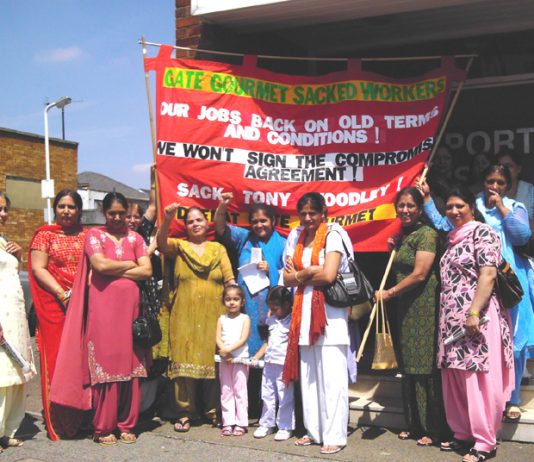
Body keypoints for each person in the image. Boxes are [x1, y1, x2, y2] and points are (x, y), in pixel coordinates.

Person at [419, 164, 534, 420]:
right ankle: (488, 403)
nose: (494, 186)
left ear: (508, 185)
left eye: (500, 182)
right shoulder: (472, 207)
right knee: (485, 347)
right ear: (482, 182)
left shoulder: (515, 207)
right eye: (490, 181)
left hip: (507, 281)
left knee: (514, 344)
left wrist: (502, 206)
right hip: (477, 286)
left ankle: (511, 397)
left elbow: (522, 235)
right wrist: (427, 199)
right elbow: (444, 225)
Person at [436, 185, 514, 462]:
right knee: (456, 375)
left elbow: (489, 274)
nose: (454, 211)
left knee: (478, 377)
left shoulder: (483, 232)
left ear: (471, 207)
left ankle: (485, 441)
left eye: (460, 206)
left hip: (477, 317)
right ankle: (463, 432)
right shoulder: (451, 238)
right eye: (449, 207)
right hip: (451, 319)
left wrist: (473, 312)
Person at [375, 187, 450, 447]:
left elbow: (419, 274)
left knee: (424, 367)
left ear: (419, 209)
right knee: (409, 366)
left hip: (423, 307)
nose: (405, 210)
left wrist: (390, 293)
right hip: (406, 307)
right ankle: (414, 424)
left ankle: (434, 428)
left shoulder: (427, 234)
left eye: (410, 206)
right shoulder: (405, 235)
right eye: (401, 205)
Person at [282, 192, 351, 455]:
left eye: (313, 213)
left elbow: (329, 274)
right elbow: (286, 278)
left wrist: (301, 274)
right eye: (304, 213)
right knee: (309, 378)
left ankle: (335, 435)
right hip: (303, 312)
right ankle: (314, 431)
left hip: (330, 315)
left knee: (332, 378)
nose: (308, 218)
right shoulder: (296, 236)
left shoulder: (334, 234)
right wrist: (309, 272)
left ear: (324, 212)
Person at [157, 203, 235, 432]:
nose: (195, 224)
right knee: (183, 362)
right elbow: (161, 244)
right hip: (183, 314)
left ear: (207, 223)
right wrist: (167, 219)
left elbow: (229, 278)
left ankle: (213, 410)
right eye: (190, 221)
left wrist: (235, 310)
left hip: (215, 314)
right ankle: (184, 411)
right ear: (186, 226)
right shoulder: (179, 246)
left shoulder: (218, 249)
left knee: (213, 361)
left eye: (199, 220)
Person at [214, 192, 287, 416]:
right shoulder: (244, 238)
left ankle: (268, 410)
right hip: (246, 311)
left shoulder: (283, 243)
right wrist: (222, 205)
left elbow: (289, 277)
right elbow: (219, 227)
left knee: (269, 359)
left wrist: (271, 270)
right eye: (254, 221)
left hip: (272, 309)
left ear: (273, 221)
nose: (258, 225)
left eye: (263, 220)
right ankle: (246, 410)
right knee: (244, 357)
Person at [28, 189, 85, 440]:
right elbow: (38, 268)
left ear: (79, 210)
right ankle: (60, 422)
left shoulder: (89, 236)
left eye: (71, 206)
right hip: (57, 305)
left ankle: (85, 417)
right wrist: (63, 294)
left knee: (83, 362)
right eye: (62, 206)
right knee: (59, 358)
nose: (66, 211)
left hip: (85, 303)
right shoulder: (45, 235)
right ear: (55, 209)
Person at [0, 192, 36, 453]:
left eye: (5, 209)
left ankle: (8, 431)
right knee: (1, 375)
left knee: (16, 373)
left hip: (15, 315)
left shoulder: (5, 241)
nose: (3, 214)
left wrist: (19, 256)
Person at [252, 285, 295, 442]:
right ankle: (266, 423)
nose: (273, 311)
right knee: (267, 393)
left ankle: (285, 426)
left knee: (285, 395)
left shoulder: (292, 321)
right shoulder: (271, 321)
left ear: (286, 305)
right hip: (269, 363)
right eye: (271, 308)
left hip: (284, 364)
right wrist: (257, 356)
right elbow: (267, 342)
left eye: (276, 308)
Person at [216, 285, 251, 436]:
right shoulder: (221, 319)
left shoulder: (245, 318)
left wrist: (228, 351)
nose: (232, 302)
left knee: (240, 390)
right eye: (228, 299)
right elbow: (218, 337)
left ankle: (241, 422)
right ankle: (228, 421)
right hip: (225, 360)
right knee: (226, 390)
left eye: (236, 299)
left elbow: (243, 339)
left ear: (242, 302)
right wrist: (224, 352)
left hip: (240, 359)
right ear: (223, 301)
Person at [496, 151, 534, 232]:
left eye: (509, 166)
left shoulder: (530, 191)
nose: (504, 170)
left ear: (519, 169)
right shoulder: (491, 191)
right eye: (500, 166)